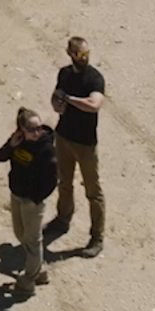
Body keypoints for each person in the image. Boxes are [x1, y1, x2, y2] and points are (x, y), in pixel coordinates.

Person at [48, 36, 107, 256]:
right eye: (80, 54)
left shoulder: (94, 78)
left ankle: (97, 236)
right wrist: (58, 102)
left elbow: (94, 105)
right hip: (64, 136)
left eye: (87, 54)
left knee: (93, 190)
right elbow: (56, 103)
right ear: (70, 54)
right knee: (64, 182)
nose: (85, 58)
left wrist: (69, 99)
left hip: (85, 143)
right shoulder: (64, 73)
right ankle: (63, 219)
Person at [0, 107, 58, 298]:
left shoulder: (46, 149)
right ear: (22, 129)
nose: (37, 133)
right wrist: (11, 146)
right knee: (20, 233)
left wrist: (36, 199)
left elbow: (51, 180)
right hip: (16, 195)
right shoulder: (18, 141)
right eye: (32, 129)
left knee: (32, 240)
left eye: (39, 128)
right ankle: (39, 271)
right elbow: (1, 156)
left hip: (32, 202)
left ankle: (27, 283)